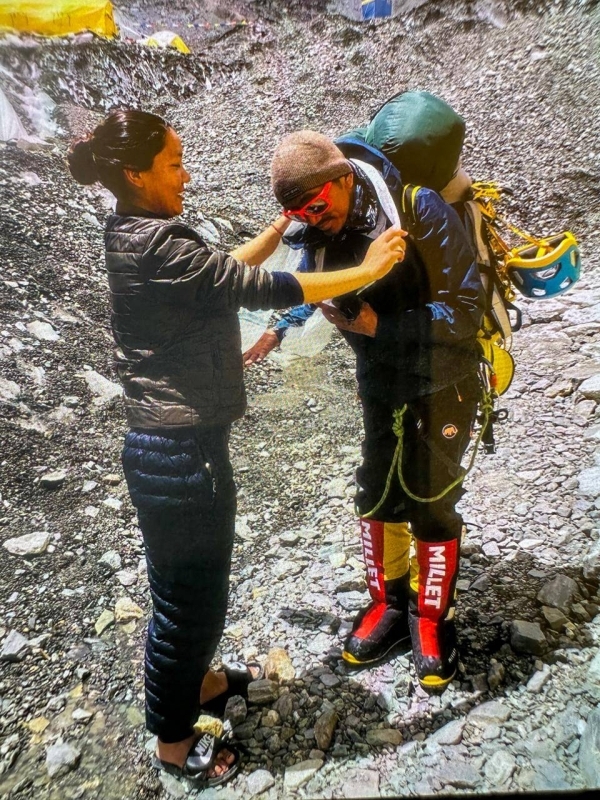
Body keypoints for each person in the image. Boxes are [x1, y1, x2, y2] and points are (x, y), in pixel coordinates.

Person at [67, 110, 406, 786]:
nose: (186, 174)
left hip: (173, 447)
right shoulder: (157, 243)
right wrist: (365, 268)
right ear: (136, 173)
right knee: (187, 603)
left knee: (190, 591)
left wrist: (279, 228)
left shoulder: (136, 232)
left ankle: (202, 682)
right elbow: (256, 287)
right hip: (179, 455)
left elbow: (218, 274)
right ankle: (172, 740)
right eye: (173, 164)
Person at [243, 130, 486, 694]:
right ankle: (390, 604)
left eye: (315, 206)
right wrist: (277, 331)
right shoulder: (324, 229)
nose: (311, 219)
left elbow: (466, 311)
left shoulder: (417, 208)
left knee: (432, 496)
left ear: (342, 178)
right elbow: (312, 280)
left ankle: (432, 617)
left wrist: (382, 327)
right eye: (298, 214)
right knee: (377, 489)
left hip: (443, 382)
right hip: (379, 382)